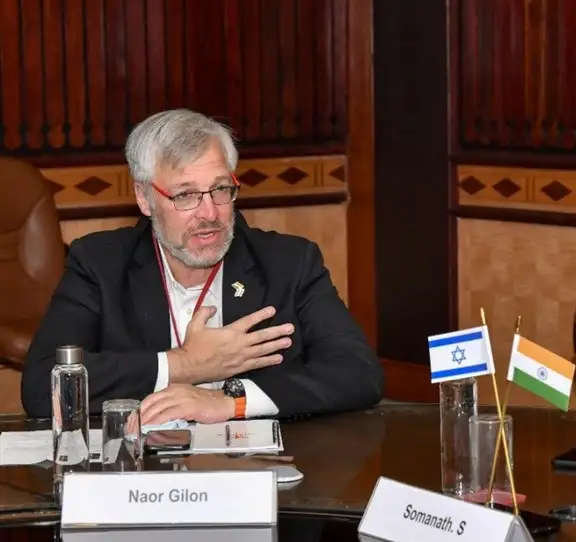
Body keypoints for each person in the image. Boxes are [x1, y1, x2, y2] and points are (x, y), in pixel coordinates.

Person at [21, 109, 383, 423]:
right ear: (144, 198)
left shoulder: (289, 263)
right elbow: (42, 386)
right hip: (147, 471)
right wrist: (184, 365)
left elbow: (359, 373)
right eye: (186, 195)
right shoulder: (100, 264)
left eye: (221, 189)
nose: (209, 213)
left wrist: (232, 403)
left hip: (259, 469)